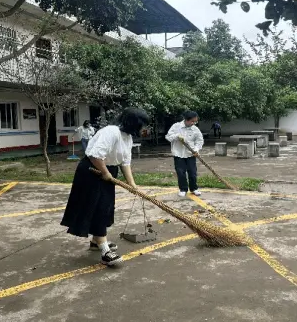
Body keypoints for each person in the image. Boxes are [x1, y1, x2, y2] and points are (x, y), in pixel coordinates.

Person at [61, 108, 149, 266]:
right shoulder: (111, 132)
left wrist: (132, 184)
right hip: (91, 171)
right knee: (98, 209)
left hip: (107, 171)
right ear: (134, 123)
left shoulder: (127, 137)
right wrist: (106, 173)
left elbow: (125, 162)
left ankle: (96, 242)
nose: (143, 129)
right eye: (142, 125)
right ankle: (105, 252)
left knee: (106, 207)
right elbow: (95, 155)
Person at [166, 111, 204, 198]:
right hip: (178, 154)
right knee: (181, 172)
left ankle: (194, 188)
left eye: (195, 121)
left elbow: (199, 141)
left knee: (192, 172)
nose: (193, 123)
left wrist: (196, 150)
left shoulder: (195, 129)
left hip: (190, 154)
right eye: (192, 121)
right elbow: (168, 137)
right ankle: (183, 189)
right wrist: (177, 136)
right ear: (186, 120)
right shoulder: (176, 126)